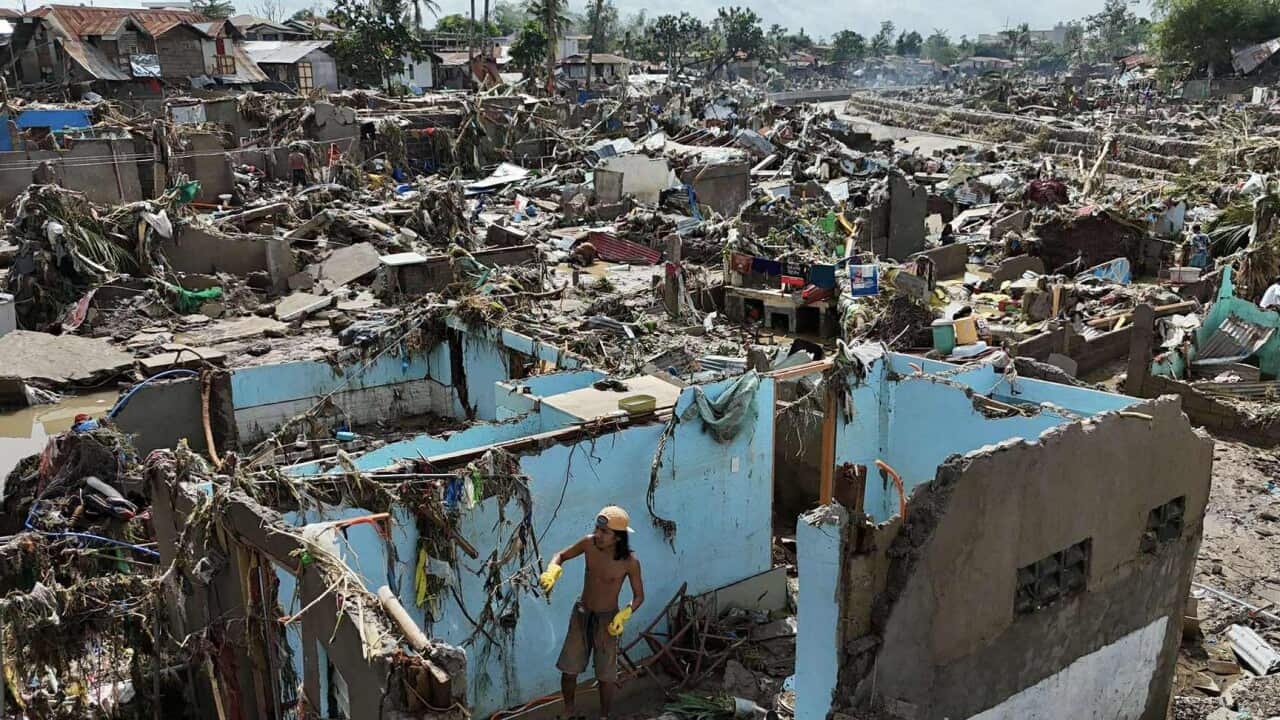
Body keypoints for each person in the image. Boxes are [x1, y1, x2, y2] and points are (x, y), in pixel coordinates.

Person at [540, 506, 645, 720]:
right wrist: (552, 570)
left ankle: (604, 716)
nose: (598, 534)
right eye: (597, 528)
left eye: (604, 532)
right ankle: (569, 711)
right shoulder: (588, 544)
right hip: (582, 613)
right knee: (569, 669)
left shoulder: (630, 563)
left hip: (608, 620)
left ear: (618, 537)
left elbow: (639, 597)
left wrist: (624, 614)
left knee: (606, 676)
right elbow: (560, 555)